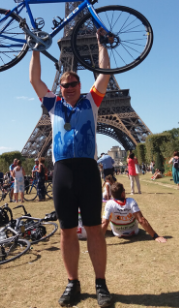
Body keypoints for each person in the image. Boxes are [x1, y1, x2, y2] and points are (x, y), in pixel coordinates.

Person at [30, 27, 113, 307]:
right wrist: (35, 48)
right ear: (61, 89)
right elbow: (35, 79)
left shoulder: (92, 100)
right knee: (67, 230)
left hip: (88, 170)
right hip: (63, 172)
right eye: (65, 84)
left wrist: (102, 45)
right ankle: (72, 282)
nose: (69, 86)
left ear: (80, 85)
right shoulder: (53, 106)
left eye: (74, 82)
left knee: (93, 228)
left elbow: (103, 74)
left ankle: (100, 283)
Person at [101, 182, 166, 243]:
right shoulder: (131, 201)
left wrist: (98, 240)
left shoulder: (109, 204)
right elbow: (141, 220)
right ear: (122, 193)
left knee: (102, 220)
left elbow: (105, 223)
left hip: (117, 234)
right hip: (134, 232)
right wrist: (155, 236)